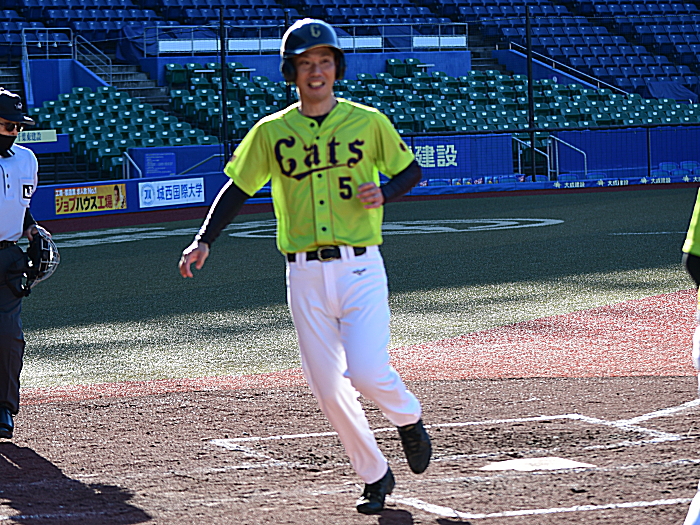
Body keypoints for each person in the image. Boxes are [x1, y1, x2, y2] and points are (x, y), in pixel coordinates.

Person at [179, 18, 431, 515]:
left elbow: (410, 171)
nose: (316, 71)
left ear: (338, 68)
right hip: (304, 275)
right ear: (290, 72)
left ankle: (407, 418)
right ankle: (374, 474)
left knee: (366, 370)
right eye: (305, 63)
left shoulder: (368, 121)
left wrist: (385, 192)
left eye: (325, 61)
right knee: (327, 388)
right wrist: (204, 240)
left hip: (360, 268)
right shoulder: (272, 132)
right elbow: (238, 188)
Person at [0, 88, 43, 440]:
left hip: (8, 258)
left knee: (9, 336)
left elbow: (20, 204)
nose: (14, 132)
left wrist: (31, 230)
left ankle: (4, 408)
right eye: (7, 125)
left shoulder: (27, 159)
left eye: (18, 127)